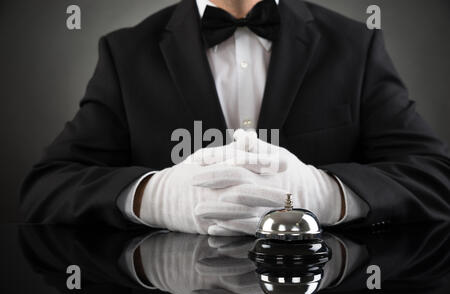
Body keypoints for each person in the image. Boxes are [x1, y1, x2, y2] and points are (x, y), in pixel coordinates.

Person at [20, 0, 450, 235]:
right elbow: (47, 190)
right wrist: (151, 197)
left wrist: (330, 195)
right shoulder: (125, 52)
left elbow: (434, 178)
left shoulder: (356, 45)